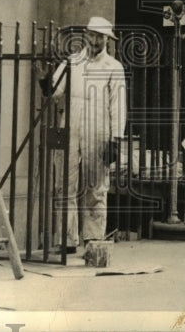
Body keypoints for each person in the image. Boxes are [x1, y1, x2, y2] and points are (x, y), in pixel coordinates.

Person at [44, 16, 127, 252]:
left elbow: (118, 105)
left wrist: (116, 139)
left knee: (95, 185)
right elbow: (55, 92)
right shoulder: (72, 62)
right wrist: (46, 83)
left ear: (107, 40)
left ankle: (92, 239)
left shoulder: (113, 67)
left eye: (100, 37)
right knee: (64, 182)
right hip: (70, 124)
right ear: (86, 36)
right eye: (92, 35)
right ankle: (66, 239)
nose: (95, 41)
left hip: (98, 129)